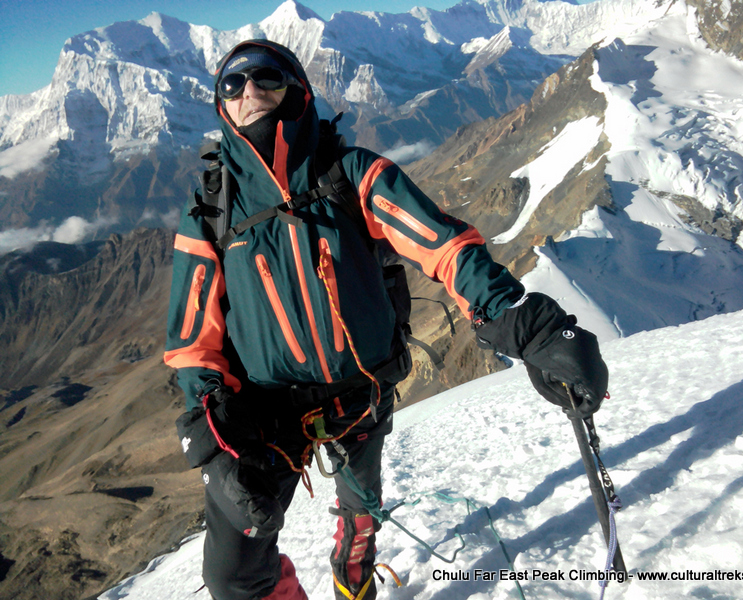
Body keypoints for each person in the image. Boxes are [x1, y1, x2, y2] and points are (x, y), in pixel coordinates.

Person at [164, 39, 608, 600]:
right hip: (263, 414)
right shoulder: (210, 210)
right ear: (221, 106)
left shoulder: (352, 174)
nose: (249, 92)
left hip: (359, 396)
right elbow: (192, 342)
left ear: (296, 90)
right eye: (233, 85)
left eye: (267, 79)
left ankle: (356, 585)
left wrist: (523, 321)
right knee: (231, 575)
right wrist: (215, 445)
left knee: (361, 515)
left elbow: (444, 246)